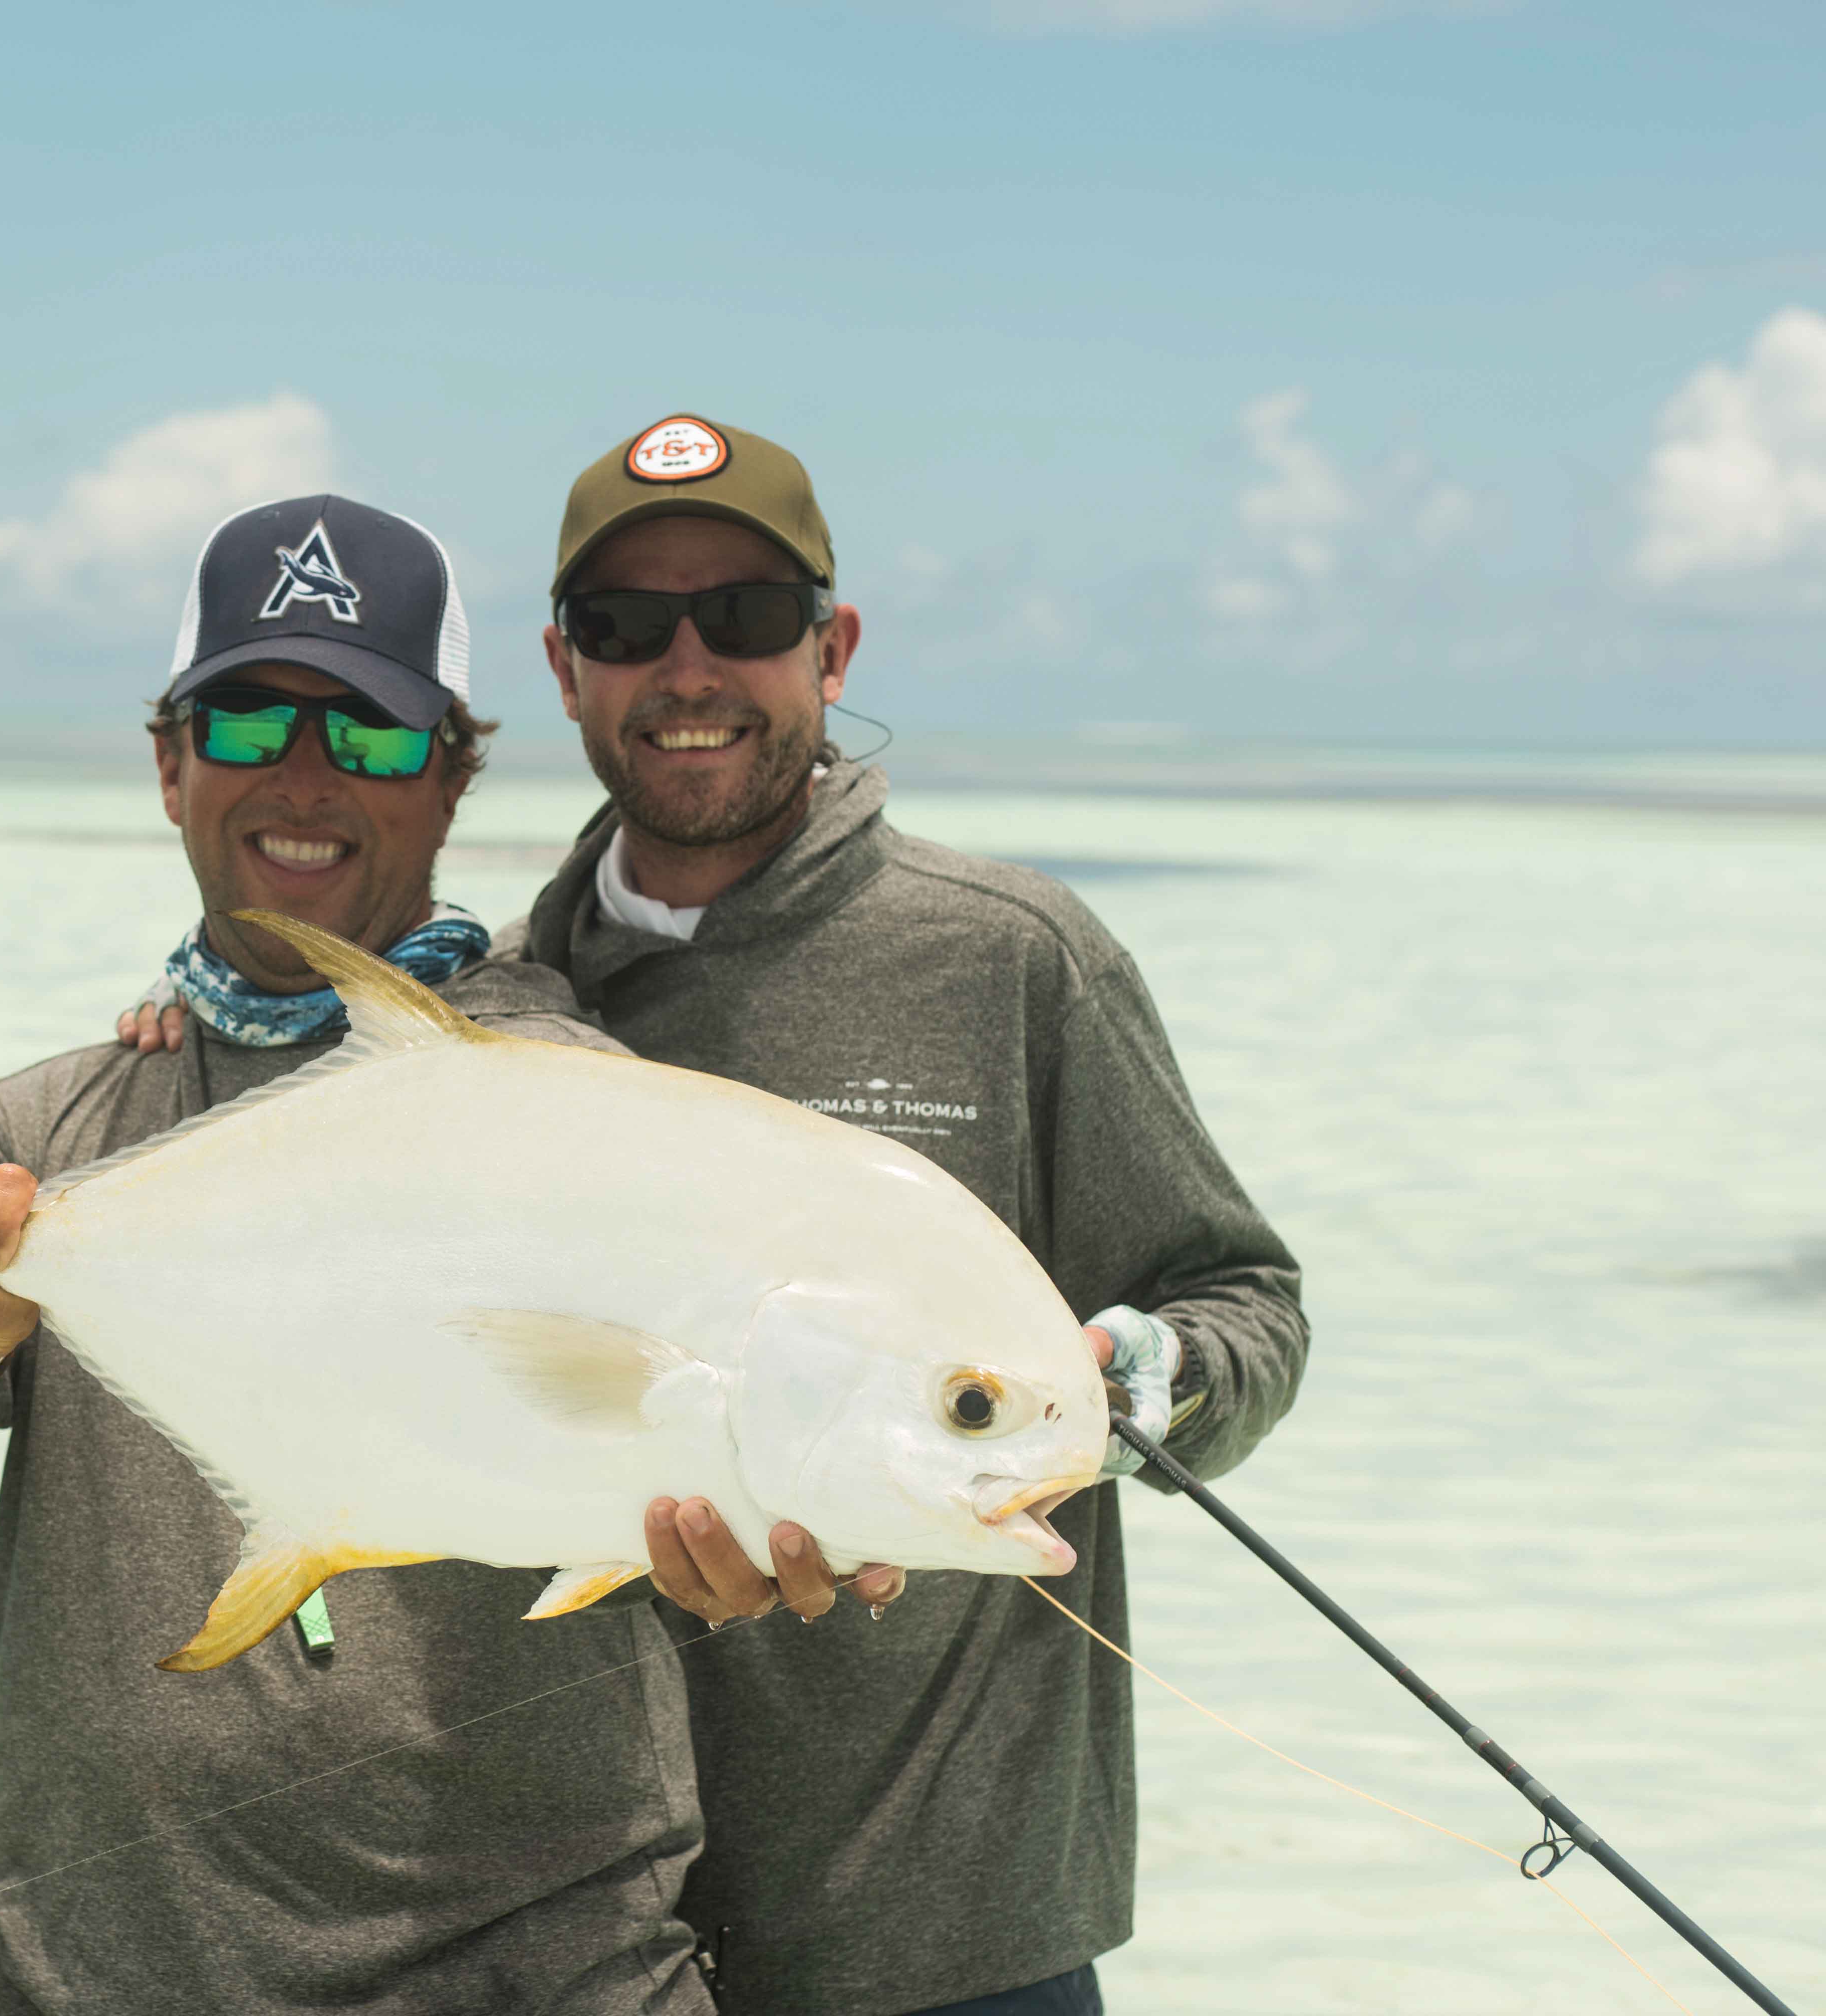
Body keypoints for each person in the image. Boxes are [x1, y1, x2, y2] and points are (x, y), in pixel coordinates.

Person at [0, 496, 803, 2015]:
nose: (307, 779)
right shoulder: (41, 1129)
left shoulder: (597, 1115)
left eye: (378, 738)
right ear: (168, 763)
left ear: (457, 776)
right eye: (249, 721)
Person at [520, 414, 1311, 2015]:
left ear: (833, 645)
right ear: (565, 667)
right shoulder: (508, 1008)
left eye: (742, 616)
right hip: (566, 1944)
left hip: (960, 1947)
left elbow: (1243, 1295)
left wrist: (1148, 1382)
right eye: (628, 627)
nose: (689, 669)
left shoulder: (1009, 957)